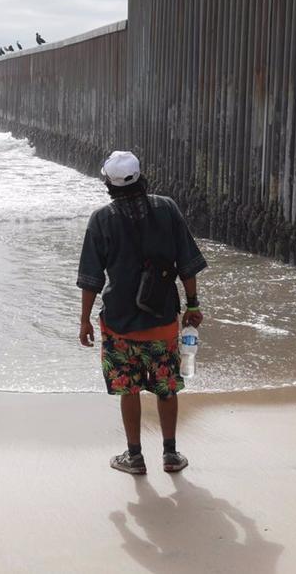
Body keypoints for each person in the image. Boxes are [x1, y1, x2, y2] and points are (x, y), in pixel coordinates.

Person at [77, 151, 207, 474]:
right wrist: (192, 305)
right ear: (140, 178)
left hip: (120, 325)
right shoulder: (167, 209)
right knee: (166, 388)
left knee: (129, 388)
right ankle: (171, 455)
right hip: (162, 322)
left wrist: (84, 320)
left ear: (109, 185)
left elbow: (91, 279)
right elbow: (186, 264)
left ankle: (134, 457)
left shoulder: (101, 220)